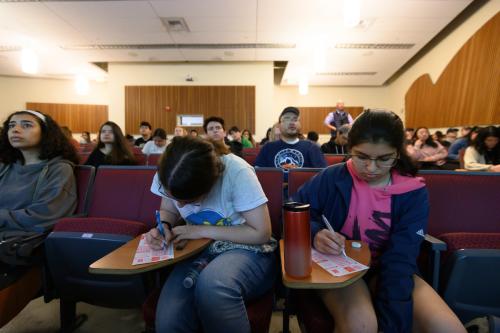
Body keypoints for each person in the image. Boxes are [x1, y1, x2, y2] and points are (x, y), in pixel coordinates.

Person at [293, 109, 465, 333]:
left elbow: (401, 259)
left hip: (390, 268)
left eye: (384, 159)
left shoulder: (413, 191)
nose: (371, 168)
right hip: (340, 267)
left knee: (448, 328)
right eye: (361, 157)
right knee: (360, 325)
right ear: (349, 149)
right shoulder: (331, 177)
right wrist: (315, 233)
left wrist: (392, 323)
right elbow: (292, 214)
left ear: (398, 153)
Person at [145, 136, 276, 332]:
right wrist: (163, 225)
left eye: (189, 200)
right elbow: (169, 210)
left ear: (211, 184)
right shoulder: (169, 172)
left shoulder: (236, 172)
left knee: (214, 286)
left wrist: (199, 230)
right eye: (175, 197)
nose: (180, 205)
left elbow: (261, 233)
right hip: (198, 249)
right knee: (168, 321)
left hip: (249, 248)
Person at [0, 110, 78, 232]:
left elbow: (44, 216)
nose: (15, 129)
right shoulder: (5, 166)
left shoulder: (59, 169)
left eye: (26, 125)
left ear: (45, 133)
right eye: (11, 125)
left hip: (19, 240)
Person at [255, 107, 326, 176]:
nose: (292, 122)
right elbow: (259, 174)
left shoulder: (312, 148)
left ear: (300, 124)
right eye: (287, 119)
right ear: (279, 126)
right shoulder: (268, 148)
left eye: (295, 119)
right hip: (276, 188)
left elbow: (322, 176)